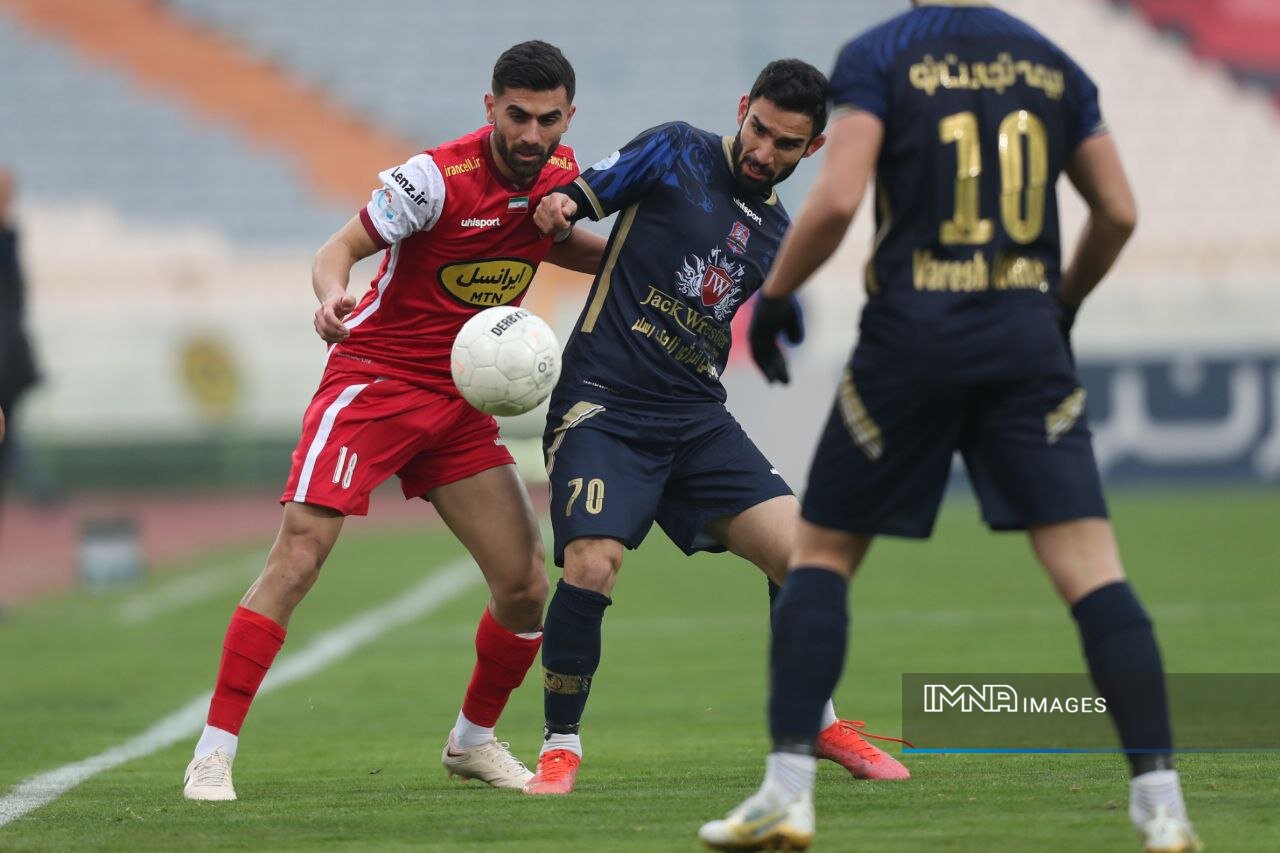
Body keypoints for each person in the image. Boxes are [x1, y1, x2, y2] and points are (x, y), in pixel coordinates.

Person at [699, 3, 1200, 851]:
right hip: (1024, 344)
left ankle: (788, 794)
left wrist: (777, 294)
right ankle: (1162, 804)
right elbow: (1116, 210)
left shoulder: (882, 52)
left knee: (822, 555)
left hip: (911, 344)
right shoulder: (1051, 63)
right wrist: (1062, 305)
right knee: (1092, 572)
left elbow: (838, 198)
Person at [182, 40, 607, 801]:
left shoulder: (562, 180)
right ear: (490, 107)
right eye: (516, 115)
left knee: (524, 583)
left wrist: (628, 264)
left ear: (568, 116)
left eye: (547, 119)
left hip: (458, 400)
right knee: (300, 555)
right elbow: (337, 248)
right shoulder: (434, 177)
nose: (530, 134)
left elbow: (557, 240)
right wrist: (329, 294)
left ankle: (471, 743)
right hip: (374, 381)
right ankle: (213, 752)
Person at [521, 59, 910, 797]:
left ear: (812, 148)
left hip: (695, 419)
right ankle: (560, 744)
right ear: (743, 107)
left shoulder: (778, 236)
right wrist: (563, 206)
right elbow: (583, 193)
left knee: (807, 556)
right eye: (759, 128)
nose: (764, 151)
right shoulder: (675, 150)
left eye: (786, 143)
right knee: (594, 560)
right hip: (604, 403)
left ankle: (815, 722)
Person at [0, 169, 41, 521]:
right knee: (9, 440)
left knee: (8, 438)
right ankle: (46, 493)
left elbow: (15, 305)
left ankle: (45, 492)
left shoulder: (10, 236)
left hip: (8, 357)